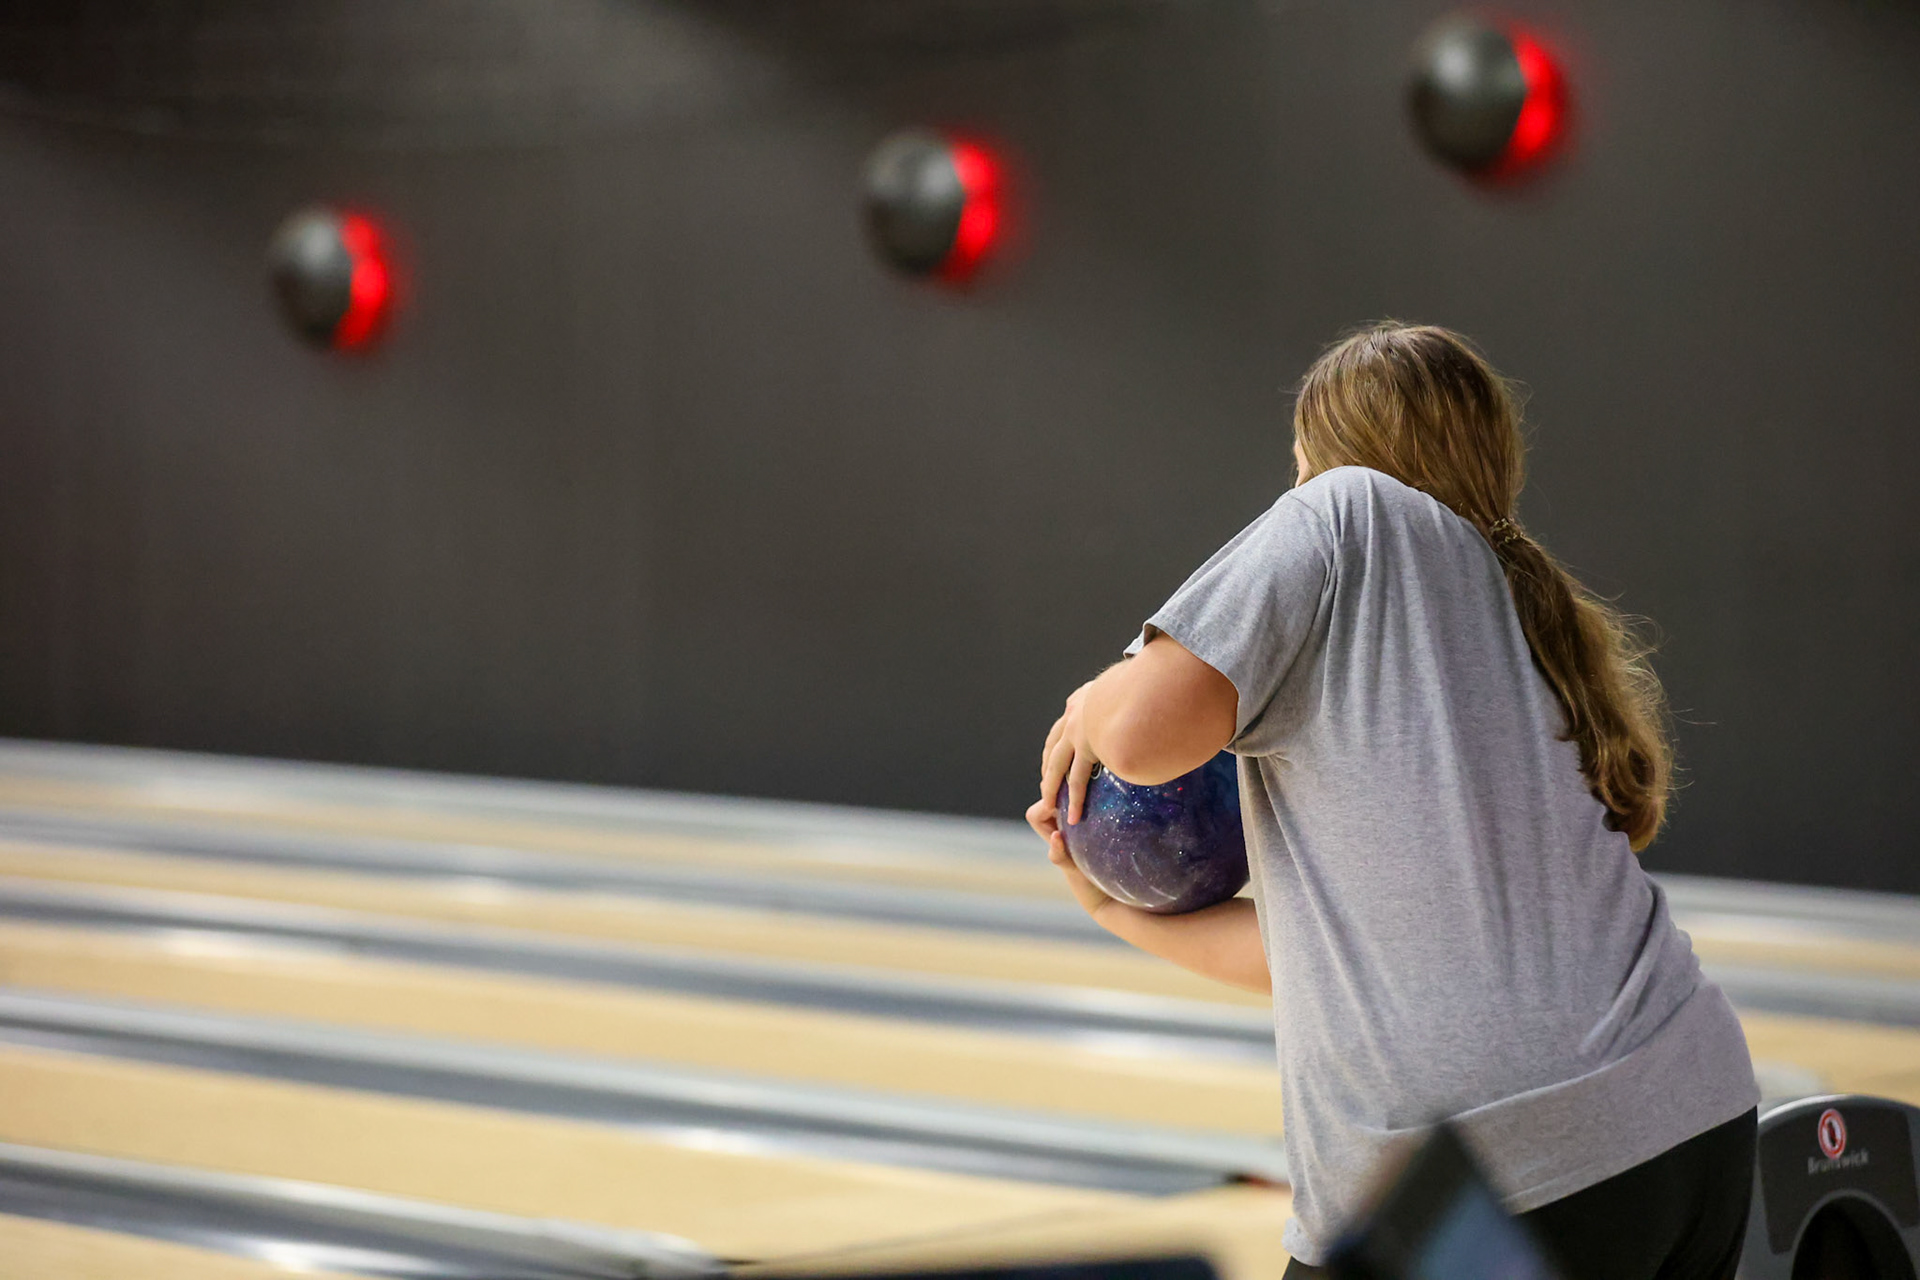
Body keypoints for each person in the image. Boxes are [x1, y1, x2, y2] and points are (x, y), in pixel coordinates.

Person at [1028, 323, 1759, 1280]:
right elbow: (1342, 961)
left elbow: (1140, 736)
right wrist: (1112, 913)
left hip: (1497, 1178)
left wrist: (1090, 702)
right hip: (1690, 1120)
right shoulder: (1518, 606)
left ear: (1324, 454)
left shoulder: (1346, 509)